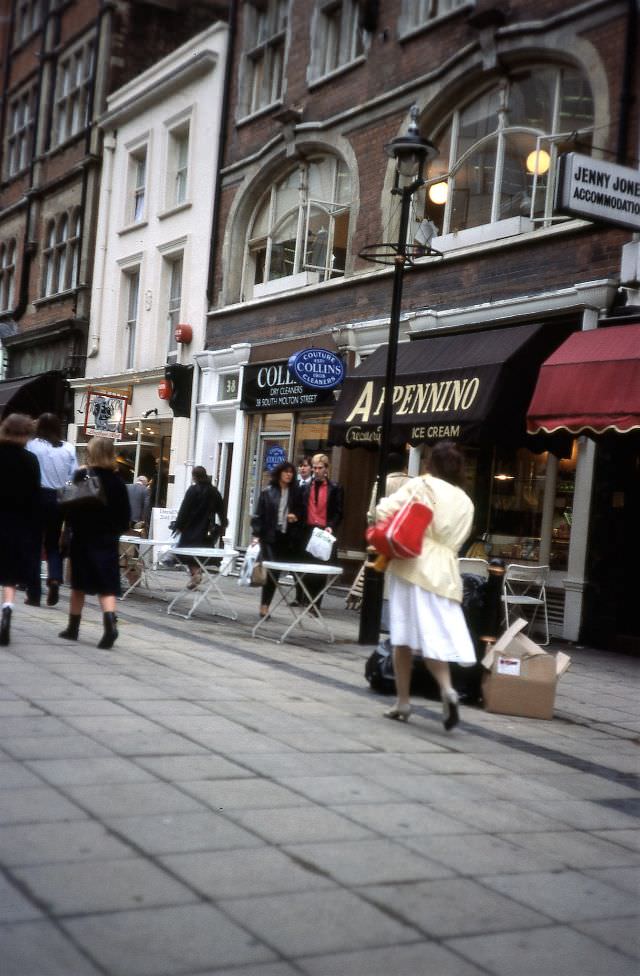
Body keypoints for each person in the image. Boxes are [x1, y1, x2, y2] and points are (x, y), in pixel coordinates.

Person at [375, 441, 476, 731]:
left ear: (431, 463)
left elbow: (385, 510)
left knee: (403, 637)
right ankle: (447, 688)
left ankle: (403, 702)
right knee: (434, 637)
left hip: (412, 562)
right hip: (446, 573)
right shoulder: (466, 501)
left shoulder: (423, 485)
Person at [59, 437, 130, 649]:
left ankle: (73, 628)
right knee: (106, 585)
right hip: (107, 539)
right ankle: (110, 625)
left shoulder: (82, 475)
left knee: (78, 584)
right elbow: (125, 515)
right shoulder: (119, 481)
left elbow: (67, 502)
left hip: (83, 536)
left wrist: (67, 528)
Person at [26, 412, 77, 607]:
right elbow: (73, 476)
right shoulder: (69, 448)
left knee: (33, 544)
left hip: (37, 497)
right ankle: (55, 577)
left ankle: (34, 592)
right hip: (59, 499)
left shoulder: (33, 446)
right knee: (53, 544)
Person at [0, 414, 41, 646]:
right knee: (9, 575)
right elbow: (34, 495)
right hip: (18, 523)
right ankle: (7, 607)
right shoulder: (31, 460)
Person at [251, 461, 304, 617]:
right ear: (279, 473)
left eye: (291, 472)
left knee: (279, 572)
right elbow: (258, 515)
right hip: (270, 537)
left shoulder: (296, 492)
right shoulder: (268, 492)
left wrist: (296, 516)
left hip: (287, 537)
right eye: (286, 472)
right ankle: (265, 605)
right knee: (271, 572)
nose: (289, 475)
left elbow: (302, 511)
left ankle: (268, 604)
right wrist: (256, 535)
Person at [298, 453, 344, 607]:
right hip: (308, 530)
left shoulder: (335, 488)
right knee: (306, 566)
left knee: (321, 568)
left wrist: (331, 525)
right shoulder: (305, 488)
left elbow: (339, 511)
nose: (316, 471)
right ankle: (305, 598)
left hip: (324, 531)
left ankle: (316, 602)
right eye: (315, 468)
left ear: (326, 469)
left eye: (320, 468)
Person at [170, 466, 225, 589]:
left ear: (194, 476)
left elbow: (184, 509)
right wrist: (223, 524)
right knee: (199, 554)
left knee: (187, 553)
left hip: (190, 528)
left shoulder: (193, 490)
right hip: (206, 530)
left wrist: (178, 525)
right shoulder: (214, 492)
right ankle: (196, 574)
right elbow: (221, 510)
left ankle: (195, 574)